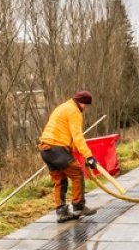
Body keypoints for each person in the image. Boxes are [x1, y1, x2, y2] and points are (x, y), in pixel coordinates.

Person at [39, 91, 98, 222]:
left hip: (45, 149)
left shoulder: (63, 107)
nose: (85, 108)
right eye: (85, 105)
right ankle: (78, 206)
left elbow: (66, 135)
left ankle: (62, 212)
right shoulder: (74, 111)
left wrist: (80, 152)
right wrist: (89, 156)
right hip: (57, 149)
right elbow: (77, 136)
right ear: (82, 103)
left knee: (60, 180)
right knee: (77, 173)